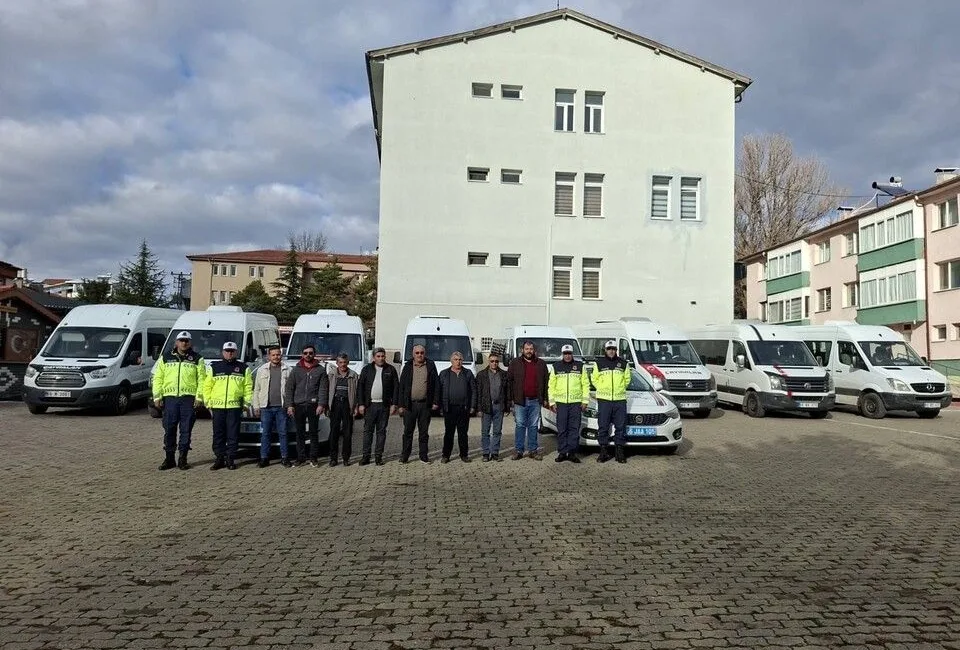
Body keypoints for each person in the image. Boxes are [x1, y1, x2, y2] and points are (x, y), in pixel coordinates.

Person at [152, 331, 206, 471]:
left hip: (188, 399)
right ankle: (169, 459)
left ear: (190, 343)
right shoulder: (165, 357)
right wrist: (157, 396)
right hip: (170, 399)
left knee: (186, 430)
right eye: (181, 340)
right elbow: (158, 378)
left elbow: (202, 380)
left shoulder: (197, 359)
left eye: (187, 340)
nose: (184, 343)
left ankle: (183, 459)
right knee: (169, 429)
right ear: (176, 342)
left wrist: (199, 397)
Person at [203, 341, 253, 470]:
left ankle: (231, 458)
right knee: (218, 434)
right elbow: (207, 386)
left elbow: (248, 387)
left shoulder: (243, 368)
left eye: (232, 351)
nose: (229, 353)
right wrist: (208, 403)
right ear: (223, 352)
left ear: (235, 352)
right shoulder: (214, 367)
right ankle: (219, 458)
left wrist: (246, 403)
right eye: (227, 351)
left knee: (233, 434)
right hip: (217, 407)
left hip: (234, 407)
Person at [284, 344, 329, 467]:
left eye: (310, 353)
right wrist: (289, 405)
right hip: (298, 405)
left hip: (313, 405)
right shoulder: (296, 369)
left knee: (313, 432)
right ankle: (300, 458)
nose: (308, 355)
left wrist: (321, 404)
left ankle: (313, 458)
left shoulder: (320, 370)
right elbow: (289, 388)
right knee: (300, 433)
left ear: (314, 354)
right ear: (302, 354)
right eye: (305, 353)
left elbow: (323, 389)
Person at [356, 347, 400, 466]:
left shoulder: (390, 369)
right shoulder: (366, 370)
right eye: (378, 356)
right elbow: (360, 387)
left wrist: (394, 404)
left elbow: (396, 388)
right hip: (369, 406)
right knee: (367, 431)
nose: (381, 358)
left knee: (381, 432)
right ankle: (366, 456)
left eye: (382, 356)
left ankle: (378, 457)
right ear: (373, 357)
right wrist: (360, 404)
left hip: (384, 406)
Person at [507, 341, 549, 460]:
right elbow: (509, 381)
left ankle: (533, 450)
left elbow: (546, 382)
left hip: (535, 400)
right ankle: (519, 450)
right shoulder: (515, 363)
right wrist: (510, 399)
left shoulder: (541, 364)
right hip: (520, 400)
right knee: (520, 425)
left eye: (531, 349)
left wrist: (545, 398)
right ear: (522, 350)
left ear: (534, 350)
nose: (529, 351)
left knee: (533, 426)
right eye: (526, 349)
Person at [397, 343, 439, 463]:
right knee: (408, 432)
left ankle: (423, 456)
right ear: (413, 354)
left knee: (424, 433)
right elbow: (402, 387)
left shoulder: (430, 365)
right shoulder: (408, 366)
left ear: (424, 354)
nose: (419, 355)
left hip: (425, 405)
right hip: (410, 405)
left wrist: (435, 401)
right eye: (417, 353)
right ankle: (404, 456)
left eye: (422, 353)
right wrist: (401, 405)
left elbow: (436, 385)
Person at [548, 344, 590, 463]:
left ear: (572, 354)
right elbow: (551, 386)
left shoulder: (580, 366)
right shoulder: (556, 366)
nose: (567, 356)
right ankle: (562, 452)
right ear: (562, 354)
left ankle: (572, 453)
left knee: (574, 429)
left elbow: (585, 385)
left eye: (569, 353)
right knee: (562, 429)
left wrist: (585, 401)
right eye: (565, 353)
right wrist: (552, 402)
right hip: (561, 403)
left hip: (575, 404)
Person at [593, 340, 632, 464]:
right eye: (609, 349)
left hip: (619, 400)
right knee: (603, 426)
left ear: (616, 350)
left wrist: (619, 389)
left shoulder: (623, 363)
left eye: (614, 349)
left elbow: (627, 380)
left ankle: (619, 452)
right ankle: (603, 452)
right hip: (604, 400)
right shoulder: (599, 363)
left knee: (620, 427)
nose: (611, 351)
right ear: (605, 350)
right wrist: (603, 388)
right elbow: (594, 379)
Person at [252, 345, 291, 468]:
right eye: (273, 355)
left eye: (278, 354)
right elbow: (257, 389)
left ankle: (285, 458)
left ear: (281, 355)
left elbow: (290, 390)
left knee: (283, 433)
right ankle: (264, 458)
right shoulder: (262, 369)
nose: (276, 357)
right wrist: (256, 406)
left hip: (281, 407)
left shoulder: (287, 369)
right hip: (266, 407)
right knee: (266, 434)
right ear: (269, 356)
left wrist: (290, 405)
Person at [436, 351, 477, 463]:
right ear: (451, 361)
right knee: (449, 433)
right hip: (449, 408)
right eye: (456, 359)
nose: (458, 362)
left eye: (460, 360)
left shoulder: (468, 373)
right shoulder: (444, 374)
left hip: (463, 408)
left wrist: (473, 406)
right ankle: (446, 455)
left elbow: (474, 391)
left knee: (463, 433)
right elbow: (438, 392)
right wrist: (440, 407)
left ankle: (464, 455)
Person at [476, 350, 510, 462]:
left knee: (497, 431)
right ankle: (486, 453)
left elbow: (507, 392)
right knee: (485, 432)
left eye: (496, 361)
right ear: (488, 361)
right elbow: (478, 392)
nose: (494, 363)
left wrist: (507, 407)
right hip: (486, 406)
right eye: (492, 361)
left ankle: (495, 453)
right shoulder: (481, 375)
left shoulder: (504, 374)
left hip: (498, 407)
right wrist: (479, 408)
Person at [326, 352, 359, 466]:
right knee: (334, 432)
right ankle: (333, 458)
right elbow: (327, 391)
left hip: (347, 404)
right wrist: (327, 406)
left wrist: (356, 406)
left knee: (347, 433)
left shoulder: (353, 375)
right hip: (335, 404)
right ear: (337, 363)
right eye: (340, 362)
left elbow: (357, 392)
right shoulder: (331, 374)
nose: (343, 364)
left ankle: (346, 458)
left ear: (348, 363)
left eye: (345, 362)